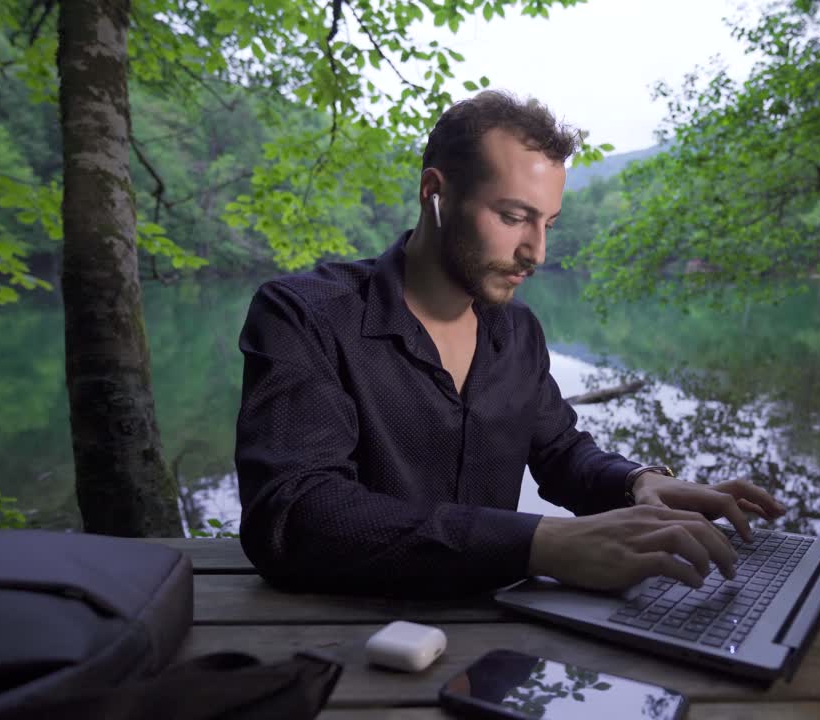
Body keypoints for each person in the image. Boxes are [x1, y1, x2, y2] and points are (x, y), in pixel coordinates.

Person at [234, 90, 785, 599]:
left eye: (547, 222)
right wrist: (541, 544)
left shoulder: (517, 331)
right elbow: (294, 513)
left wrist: (638, 484)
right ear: (435, 193)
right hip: (349, 640)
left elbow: (561, 452)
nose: (536, 252)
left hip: (498, 636)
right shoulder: (304, 315)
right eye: (514, 216)